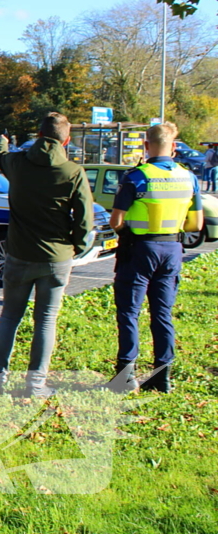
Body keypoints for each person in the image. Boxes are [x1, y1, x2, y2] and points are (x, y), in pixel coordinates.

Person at [0, 113, 94, 396]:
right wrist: (78, 246)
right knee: (46, 320)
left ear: (39, 135)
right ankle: (35, 385)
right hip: (57, 258)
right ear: (66, 141)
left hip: (18, 254)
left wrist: (1, 141)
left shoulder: (18, 164)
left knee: (10, 317)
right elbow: (85, 220)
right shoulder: (73, 172)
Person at [109, 122, 203, 393]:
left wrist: (128, 232)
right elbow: (195, 225)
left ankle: (126, 376)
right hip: (172, 250)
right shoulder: (188, 177)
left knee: (130, 311)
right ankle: (163, 377)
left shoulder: (137, 177)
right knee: (162, 313)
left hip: (140, 249)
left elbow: (116, 221)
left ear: (146, 146)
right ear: (174, 147)